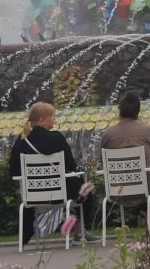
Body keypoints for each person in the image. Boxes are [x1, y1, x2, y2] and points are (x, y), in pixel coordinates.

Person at [9, 101, 92, 244]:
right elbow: (71, 166)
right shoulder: (57, 138)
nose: (55, 119)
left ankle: (72, 229)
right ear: (42, 120)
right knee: (86, 189)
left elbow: (14, 172)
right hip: (60, 194)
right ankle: (79, 231)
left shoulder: (21, 144)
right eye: (52, 116)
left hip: (33, 196)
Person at [99, 91, 150, 239]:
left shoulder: (108, 134)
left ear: (119, 111)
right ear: (138, 111)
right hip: (147, 187)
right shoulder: (147, 130)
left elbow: (101, 160)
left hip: (118, 190)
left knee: (148, 174)